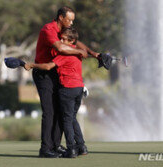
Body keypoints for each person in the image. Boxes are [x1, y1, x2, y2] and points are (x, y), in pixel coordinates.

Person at [33, 6, 99, 158]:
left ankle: (55, 146)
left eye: (72, 20)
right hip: (44, 73)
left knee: (60, 110)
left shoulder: (62, 32)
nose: (70, 22)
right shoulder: (48, 29)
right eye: (68, 19)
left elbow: (75, 42)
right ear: (60, 18)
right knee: (49, 112)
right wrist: (80, 53)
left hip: (56, 71)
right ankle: (45, 148)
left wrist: (94, 54)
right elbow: (61, 47)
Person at [26, 27, 88, 158]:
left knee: (66, 120)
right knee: (72, 118)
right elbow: (84, 51)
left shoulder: (65, 54)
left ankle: (71, 149)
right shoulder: (78, 54)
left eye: (64, 39)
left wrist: (32, 65)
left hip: (68, 89)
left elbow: (48, 66)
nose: (60, 40)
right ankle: (82, 147)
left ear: (72, 41)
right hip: (79, 88)